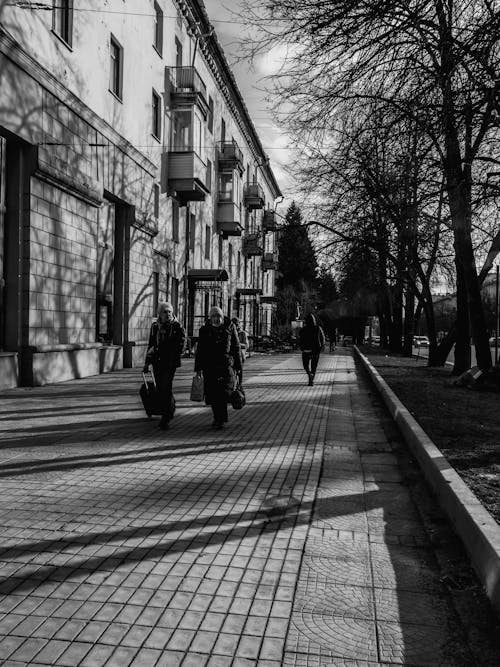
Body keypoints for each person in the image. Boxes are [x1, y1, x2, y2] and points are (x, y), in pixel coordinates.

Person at [195, 306, 242, 429]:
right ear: (210, 318)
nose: (216, 319)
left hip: (225, 366)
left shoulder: (230, 328)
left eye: (218, 316)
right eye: (214, 316)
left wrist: (238, 366)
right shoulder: (204, 330)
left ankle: (221, 418)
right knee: (213, 393)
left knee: (223, 393)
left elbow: (236, 347)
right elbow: (200, 350)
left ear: (222, 317)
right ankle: (217, 418)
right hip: (209, 366)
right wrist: (198, 368)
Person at [143, 301, 186, 430]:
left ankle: (166, 417)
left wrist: (171, 350)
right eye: (165, 312)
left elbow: (181, 345)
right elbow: (151, 345)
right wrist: (147, 363)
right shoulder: (155, 326)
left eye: (169, 312)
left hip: (170, 363)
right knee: (161, 388)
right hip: (157, 362)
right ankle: (169, 408)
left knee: (165, 387)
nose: (167, 314)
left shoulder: (177, 326)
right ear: (159, 314)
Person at [299, 313, 325, 386]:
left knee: (305, 365)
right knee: (314, 366)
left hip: (306, 350)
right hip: (316, 350)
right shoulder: (318, 328)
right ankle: (311, 380)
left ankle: (309, 374)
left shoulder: (303, 329)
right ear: (314, 320)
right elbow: (322, 337)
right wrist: (322, 345)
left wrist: (301, 347)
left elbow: (300, 339)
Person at [231, 317, 249, 384]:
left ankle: (239, 384)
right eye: (234, 324)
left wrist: (238, 344)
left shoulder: (242, 333)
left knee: (239, 370)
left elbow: (246, 345)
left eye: (236, 324)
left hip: (240, 355)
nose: (235, 325)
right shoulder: (230, 333)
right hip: (232, 355)